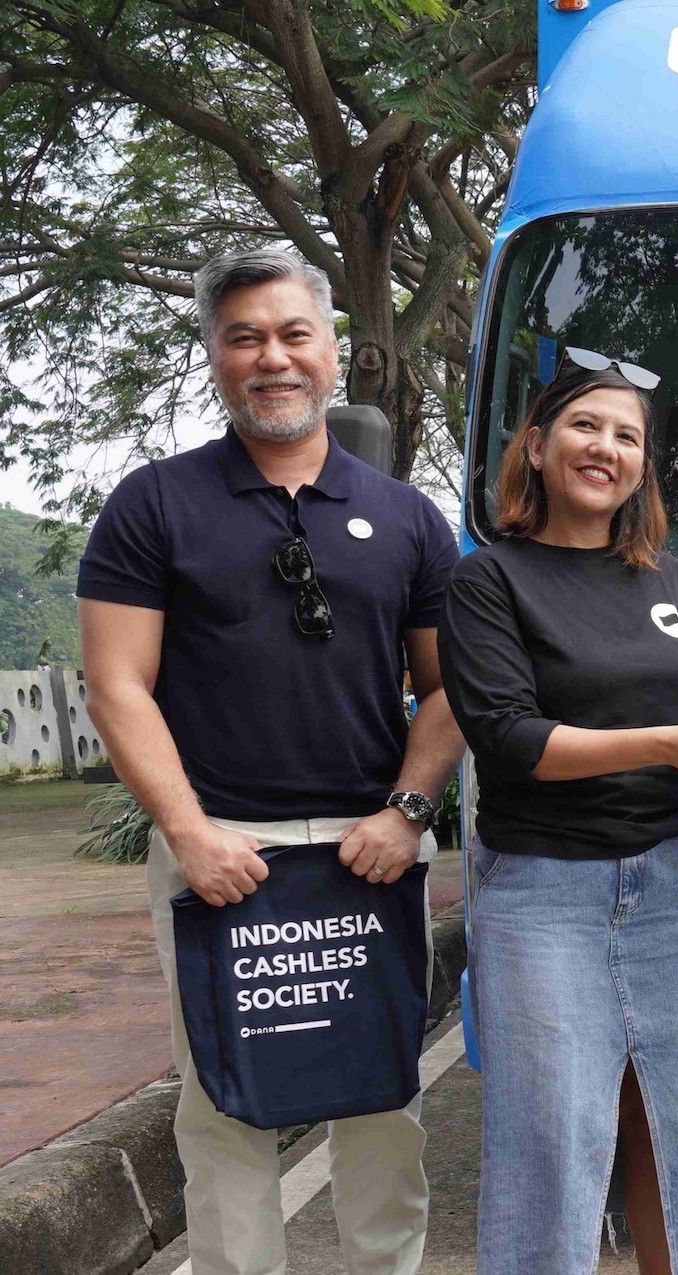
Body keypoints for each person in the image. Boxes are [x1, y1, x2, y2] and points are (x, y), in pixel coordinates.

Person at [78, 248, 465, 1275]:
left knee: (381, 1101)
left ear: (332, 350)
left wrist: (409, 812)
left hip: (370, 852)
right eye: (244, 338)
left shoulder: (409, 517)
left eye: (294, 334)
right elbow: (116, 684)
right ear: (215, 356)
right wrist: (188, 832)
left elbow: (450, 688)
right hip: (218, 856)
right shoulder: (152, 505)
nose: (272, 358)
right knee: (223, 1106)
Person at [436, 352, 678, 1275]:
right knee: (551, 1131)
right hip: (544, 889)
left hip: (676, 880)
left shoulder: (673, 581)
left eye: (628, 436)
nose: (606, 447)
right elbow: (512, 739)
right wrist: (671, 743)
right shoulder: (487, 580)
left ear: (642, 467)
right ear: (536, 445)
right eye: (586, 426)